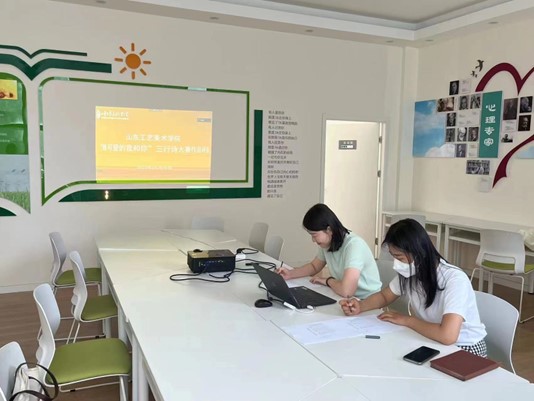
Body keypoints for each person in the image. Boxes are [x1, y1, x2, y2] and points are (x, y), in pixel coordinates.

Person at [339, 219, 487, 356]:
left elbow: (448, 336)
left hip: (464, 348)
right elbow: (384, 296)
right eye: (393, 257)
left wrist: (407, 320)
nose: (396, 264)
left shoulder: (454, 279)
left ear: (418, 252)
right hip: (432, 339)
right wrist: (360, 306)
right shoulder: (411, 272)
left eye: (399, 257)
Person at [276, 203, 382, 299]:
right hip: (347, 297)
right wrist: (290, 274)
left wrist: (328, 281)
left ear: (329, 230)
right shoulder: (328, 242)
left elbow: (347, 291)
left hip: (368, 301)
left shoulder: (354, 245)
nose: (313, 240)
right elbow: (314, 266)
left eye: (314, 235)